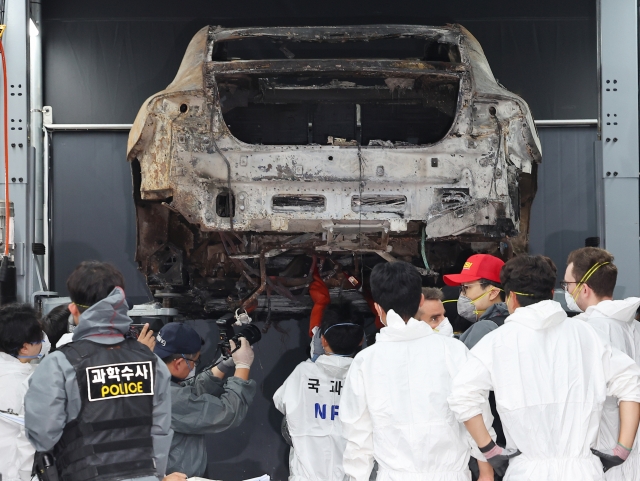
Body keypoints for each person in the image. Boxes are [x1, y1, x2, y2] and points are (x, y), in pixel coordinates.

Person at [448, 255, 640, 481]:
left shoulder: (496, 342)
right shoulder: (587, 335)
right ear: (551, 293)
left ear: (511, 298)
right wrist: (621, 450)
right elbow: (630, 383)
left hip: (526, 470)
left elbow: (462, 396)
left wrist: (490, 449)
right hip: (584, 471)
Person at [340, 261, 495, 481]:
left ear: (378, 309)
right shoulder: (453, 351)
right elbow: (478, 413)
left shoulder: (365, 362)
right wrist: (486, 471)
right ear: (420, 301)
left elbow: (358, 437)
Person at [24, 261, 173, 481]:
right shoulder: (152, 363)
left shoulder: (59, 364)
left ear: (73, 309)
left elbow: (43, 437)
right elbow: (161, 433)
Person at [564, 247, 640, 479]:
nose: (565, 290)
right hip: (632, 450)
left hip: (604, 453)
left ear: (583, 289)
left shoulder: (585, 330)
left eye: (567, 284)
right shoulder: (633, 325)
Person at [273, 303, 364, 481]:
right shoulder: (365, 377)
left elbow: (280, 402)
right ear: (361, 341)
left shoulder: (303, 372)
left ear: (322, 340)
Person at [155, 322, 256, 478]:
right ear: (179, 363)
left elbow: (189, 394)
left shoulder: (150, 377)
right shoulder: (167, 396)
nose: (194, 366)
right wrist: (243, 365)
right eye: (195, 361)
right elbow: (228, 413)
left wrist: (223, 365)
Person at [0, 304, 47, 481]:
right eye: (40, 339)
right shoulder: (25, 384)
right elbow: (29, 438)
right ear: (25, 348)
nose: (43, 343)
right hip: (13, 472)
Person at [444, 254, 508, 349]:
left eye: (466, 288)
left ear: (493, 293)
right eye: (461, 288)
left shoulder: (484, 328)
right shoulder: (510, 320)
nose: (462, 294)